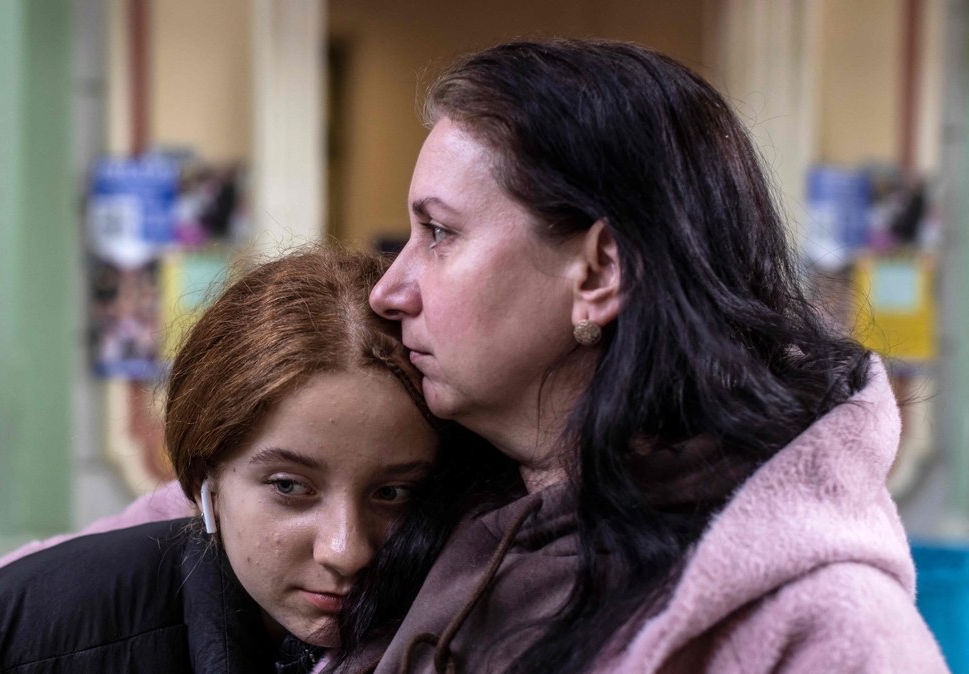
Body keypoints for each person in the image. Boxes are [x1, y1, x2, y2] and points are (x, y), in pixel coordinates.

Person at [326, 39, 948, 673]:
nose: (388, 291)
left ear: (598, 273)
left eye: (438, 233)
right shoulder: (408, 527)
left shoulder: (831, 629)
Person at [0, 248, 488, 673]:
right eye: (289, 486)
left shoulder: (489, 617)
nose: (346, 549)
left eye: (394, 494)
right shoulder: (33, 630)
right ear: (205, 480)